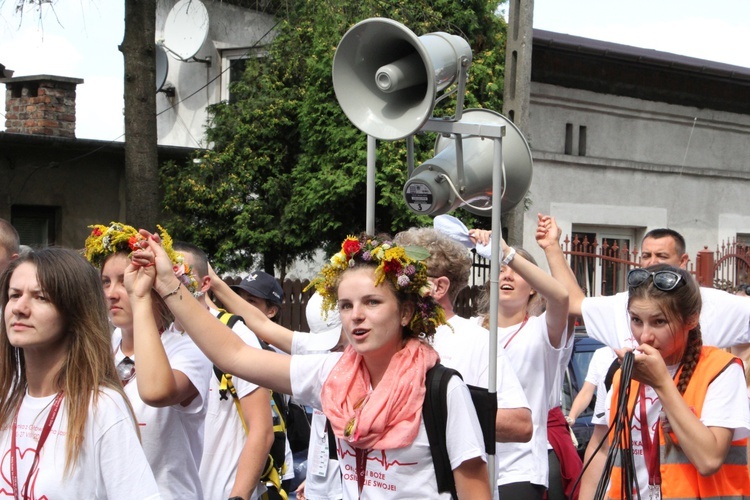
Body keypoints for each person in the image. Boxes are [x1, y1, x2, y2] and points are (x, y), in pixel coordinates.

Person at [129, 231, 492, 499]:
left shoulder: (442, 389)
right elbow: (234, 356)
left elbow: (475, 487)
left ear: (407, 311)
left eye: (372, 302)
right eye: (347, 306)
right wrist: (166, 283)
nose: (357, 316)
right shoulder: (332, 375)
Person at [0, 247, 159, 498]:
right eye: (14, 295)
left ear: (74, 312)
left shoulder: (101, 407)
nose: (20, 308)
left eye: (40, 297)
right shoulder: (6, 401)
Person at [580, 265, 750, 499]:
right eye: (637, 320)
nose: (645, 335)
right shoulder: (624, 374)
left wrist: (661, 385)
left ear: (691, 319)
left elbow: (709, 460)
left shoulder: (721, 370)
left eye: (659, 322)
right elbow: (602, 451)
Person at [84, 222, 212, 500]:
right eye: (105, 282)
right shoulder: (101, 347)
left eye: (125, 280)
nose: (111, 293)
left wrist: (139, 296)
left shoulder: (188, 349)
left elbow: (157, 391)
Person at [393, 226, 533, 444]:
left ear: (439, 287)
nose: (395, 287)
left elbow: (520, 425)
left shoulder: (475, 339)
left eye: (406, 278)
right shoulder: (387, 337)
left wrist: (437, 403)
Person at [536, 214, 750, 353]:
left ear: (683, 261)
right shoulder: (622, 303)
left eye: (662, 255)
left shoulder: (713, 302)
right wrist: (552, 246)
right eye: (646, 255)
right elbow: (575, 303)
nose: (653, 262)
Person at [173, 242, 275, 500]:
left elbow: (262, 431)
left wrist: (237, 497)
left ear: (205, 283)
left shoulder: (237, 335)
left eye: (181, 274)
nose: (172, 281)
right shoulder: (155, 336)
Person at [472, 236, 571, 499]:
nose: (508, 275)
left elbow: (562, 297)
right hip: (470, 464)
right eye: (501, 270)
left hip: (520, 468)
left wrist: (506, 252)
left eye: (516, 271)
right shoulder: (468, 329)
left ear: (533, 289)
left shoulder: (541, 331)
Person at [565, 346, 617, 425]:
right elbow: (586, 391)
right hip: (605, 423)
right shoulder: (602, 354)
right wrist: (571, 418)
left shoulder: (638, 352)